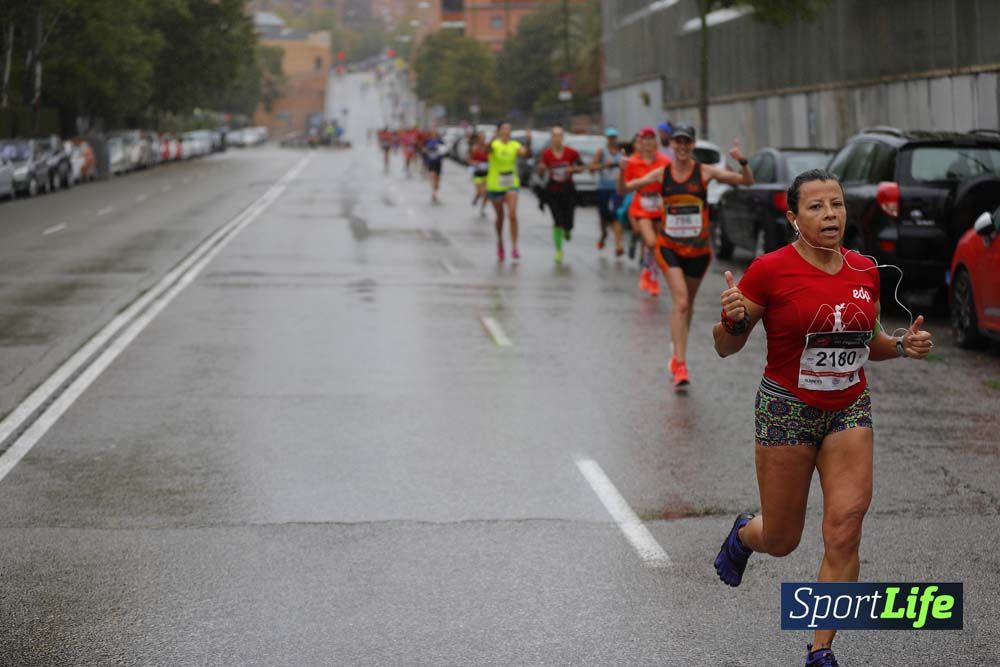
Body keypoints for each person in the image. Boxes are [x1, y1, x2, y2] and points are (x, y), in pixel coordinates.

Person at [712, 169, 934, 667]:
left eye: (836, 204)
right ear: (793, 218)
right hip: (786, 410)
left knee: (846, 527)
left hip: (849, 408)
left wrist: (901, 345)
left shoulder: (864, 270)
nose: (830, 214)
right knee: (783, 539)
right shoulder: (769, 271)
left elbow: (867, 342)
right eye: (815, 207)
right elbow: (726, 346)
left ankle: (820, 649)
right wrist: (731, 319)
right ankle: (747, 533)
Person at [624, 124, 753, 388]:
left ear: (692, 145)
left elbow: (745, 181)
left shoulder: (703, 172)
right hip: (669, 247)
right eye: (677, 142)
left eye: (687, 142)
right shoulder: (663, 173)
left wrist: (742, 162)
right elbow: (626, 187)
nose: (682, 147)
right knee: (681, 302)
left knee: (688, 305)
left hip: (698, 251)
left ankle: (677, 347)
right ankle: (680, 363)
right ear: (671, 145)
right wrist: (620, 169)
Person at [618, 127, 670, 296]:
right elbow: (624, 187)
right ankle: (652, 276)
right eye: (644, 139)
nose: (647, 142)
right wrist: (621, 169)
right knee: (650, 242)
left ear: (655, 141)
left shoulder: (664, 161)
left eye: (650, 138)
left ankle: (648, 271)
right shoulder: (632, 162)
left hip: (660, 206)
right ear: (640, 142)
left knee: (657, 245)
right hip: (641, 207)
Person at [486, 122, 531, 262]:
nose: (507, 131)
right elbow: (487, 150)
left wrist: (528, 141)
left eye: (509, 129)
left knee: (512, 214)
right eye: (504, 129)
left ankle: (514, 246)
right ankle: (500, 242)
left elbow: (525, 154)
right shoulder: (494, 144)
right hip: (495, 185)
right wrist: (492, 138)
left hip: (511, 183)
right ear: (499, 131)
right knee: (500, 217)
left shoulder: (514, 145)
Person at [537, 126, 583, 264]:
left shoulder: (572, 153)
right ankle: (558, 250)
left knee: (568, 222)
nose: (557, 138)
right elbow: (540, 173)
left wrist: (573, 169)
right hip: (553, 190)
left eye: (559, 135)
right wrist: (542, 169)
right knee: (557, 221)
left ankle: (568, 230)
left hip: (568, 190)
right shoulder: (546, 154)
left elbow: (581, 167)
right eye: (554, 135)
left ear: (563, 137)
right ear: (551, 137)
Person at [590, 127, 625, 256]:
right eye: (610, 137)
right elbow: (591, 167)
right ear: (607, 138)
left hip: (616, 188)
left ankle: (618, 245)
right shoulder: (601, 152)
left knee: (616, 215)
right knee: (604, 215)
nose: (612, 140)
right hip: (603, 188)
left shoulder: (622, 153)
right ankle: (604, 234)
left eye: (614, 137)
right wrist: (604, 166)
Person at [423, 129, 446, 204]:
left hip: (438, 162)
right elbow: (424, 150)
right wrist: (427, 151)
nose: (434, 134)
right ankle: (434, 194)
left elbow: (443, 151)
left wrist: (439, 150)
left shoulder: (440, 141)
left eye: (435, 133)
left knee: (437, 181)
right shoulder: (428, 141)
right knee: (433, 177)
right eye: (433, 133)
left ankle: (435, 191)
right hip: (431, 162)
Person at [469, 132, 489, 216]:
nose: (482, 140)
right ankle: (476, 198)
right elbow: (469, 160)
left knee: (486, 193)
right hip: (477, 173)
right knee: (480, 192)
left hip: (487, 173)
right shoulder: (474, 148)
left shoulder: (488, 148)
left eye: (483, 138)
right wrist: (475, 163)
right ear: (478, 139)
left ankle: (482, 208)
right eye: (480, 138)